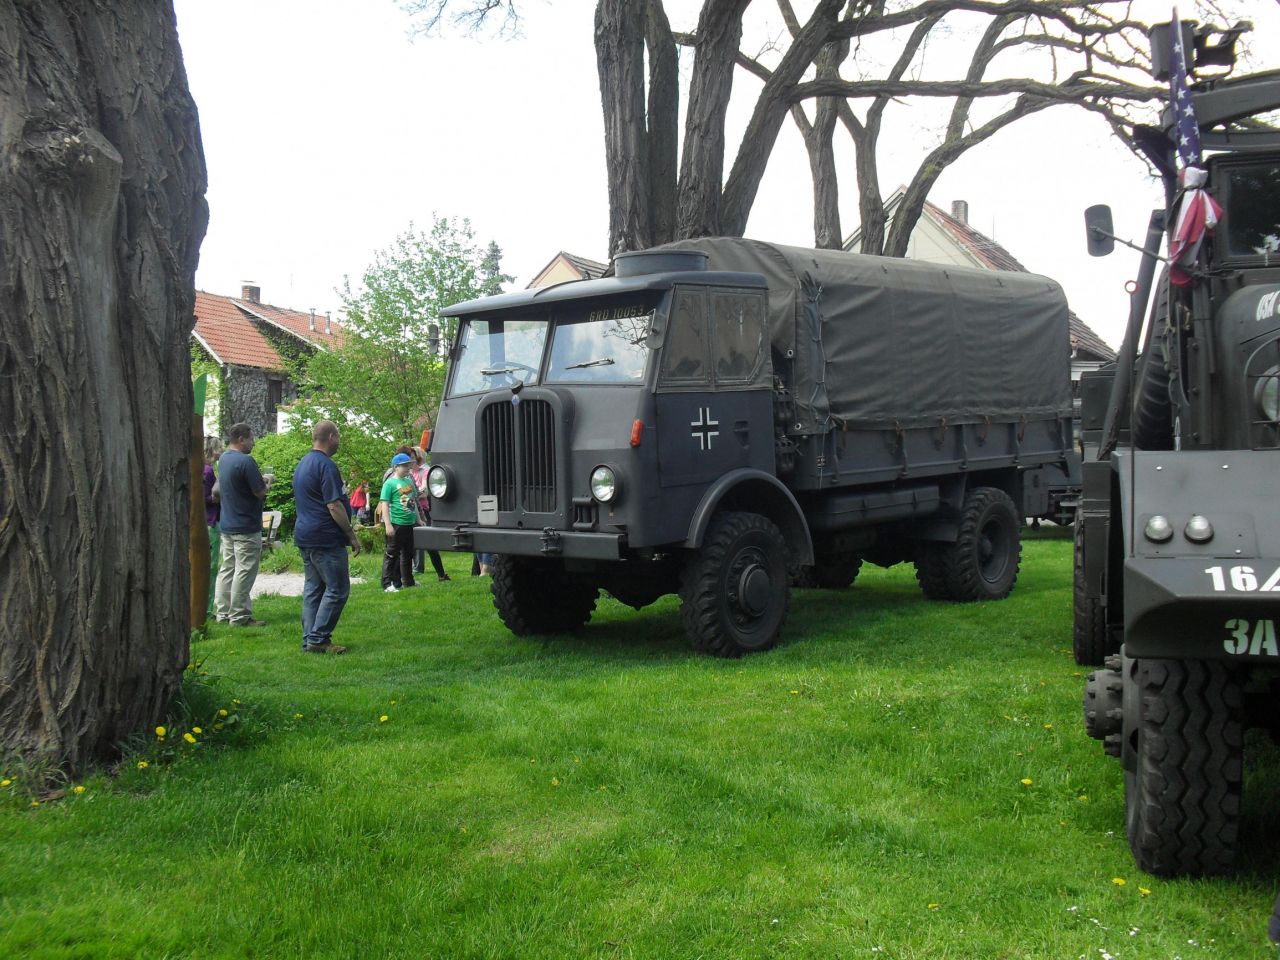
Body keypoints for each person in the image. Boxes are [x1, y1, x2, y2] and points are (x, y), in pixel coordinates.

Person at [293, 420, 361, 654]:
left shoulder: (302, 464)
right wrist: (351, 534)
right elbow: (334, 505)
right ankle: (319, 638)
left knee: (314, 589)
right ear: (331, 437)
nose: (339, 442)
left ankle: (309, 640)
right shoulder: (326, 466)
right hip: (325, 538)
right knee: (337, 588)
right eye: (338, 437)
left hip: (305, 535)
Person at [214, 423, 270, 626]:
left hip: (227, 524)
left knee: (227, 569)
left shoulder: (223, 459)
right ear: (241, 439)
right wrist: (268, 482)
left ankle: (222, 612)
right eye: (251, 439)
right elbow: (259, 492)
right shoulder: (246, 461)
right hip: (246, 525)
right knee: (244, 571)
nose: (253, 443)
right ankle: (239, 616)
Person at [380, 452, 418, 592]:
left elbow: (413, 501)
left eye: (409, 465)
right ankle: (387, 583)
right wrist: (388, 525)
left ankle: (408, 581)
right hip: (396, 523)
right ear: (396, 467)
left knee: (408, 554)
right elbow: (384, 505)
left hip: (409, 523)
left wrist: (419, 519)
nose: (408, 468)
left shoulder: (409, 482)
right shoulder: (389, 484)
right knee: (391, 554)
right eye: (404, 466)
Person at [410, 446, 449, 581]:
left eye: (413, 458)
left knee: (428, 543)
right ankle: (414, 569)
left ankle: (440, 573)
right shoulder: (409, 473)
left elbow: (425, 491)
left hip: (423, 510)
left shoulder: (425, 471)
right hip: (411, 509)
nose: (411, 461)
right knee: (412, 542)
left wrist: (413, 494)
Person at [203, 435, 224, 617]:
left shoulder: (200, 469)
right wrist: (219, 496)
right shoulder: (208, 471)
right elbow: (206, 498)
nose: (222, 451)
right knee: (210, 568)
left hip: (205, 522)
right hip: (210, 522)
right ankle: (207, 609)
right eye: (219, 448)